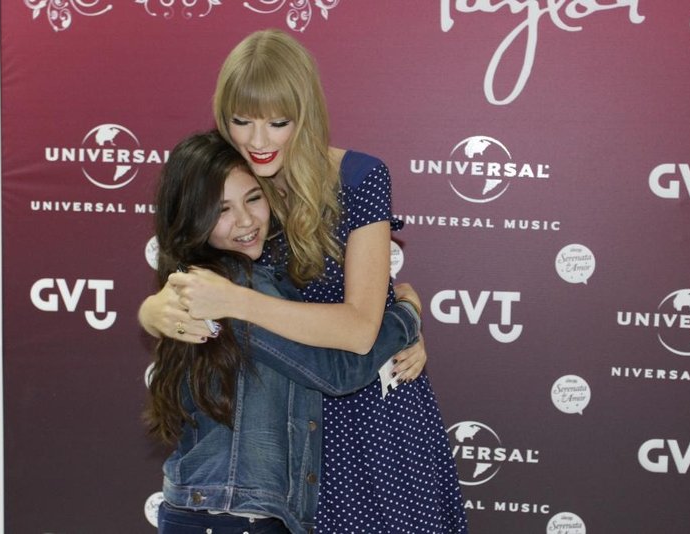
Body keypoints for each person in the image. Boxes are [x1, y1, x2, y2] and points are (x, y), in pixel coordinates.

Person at [140, 29, 468, 533]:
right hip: (290, 437)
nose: (258, 140)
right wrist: (153, 309)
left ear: (306, 114)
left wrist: (236, 301)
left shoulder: (360, 178)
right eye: (241, 121)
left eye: (278, 122)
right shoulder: (235, 185)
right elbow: (192, 273)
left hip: (378, 417)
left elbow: (359, 330)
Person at [147, 130, 424, 534]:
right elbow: (338, 370)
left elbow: (329, 329)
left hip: (233, 513)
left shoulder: (244, 276)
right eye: (221, 210)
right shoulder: (225, 290)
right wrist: (406, 316)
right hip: (230, 517)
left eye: (253, 198)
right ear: (193, 219)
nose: (244, 220)